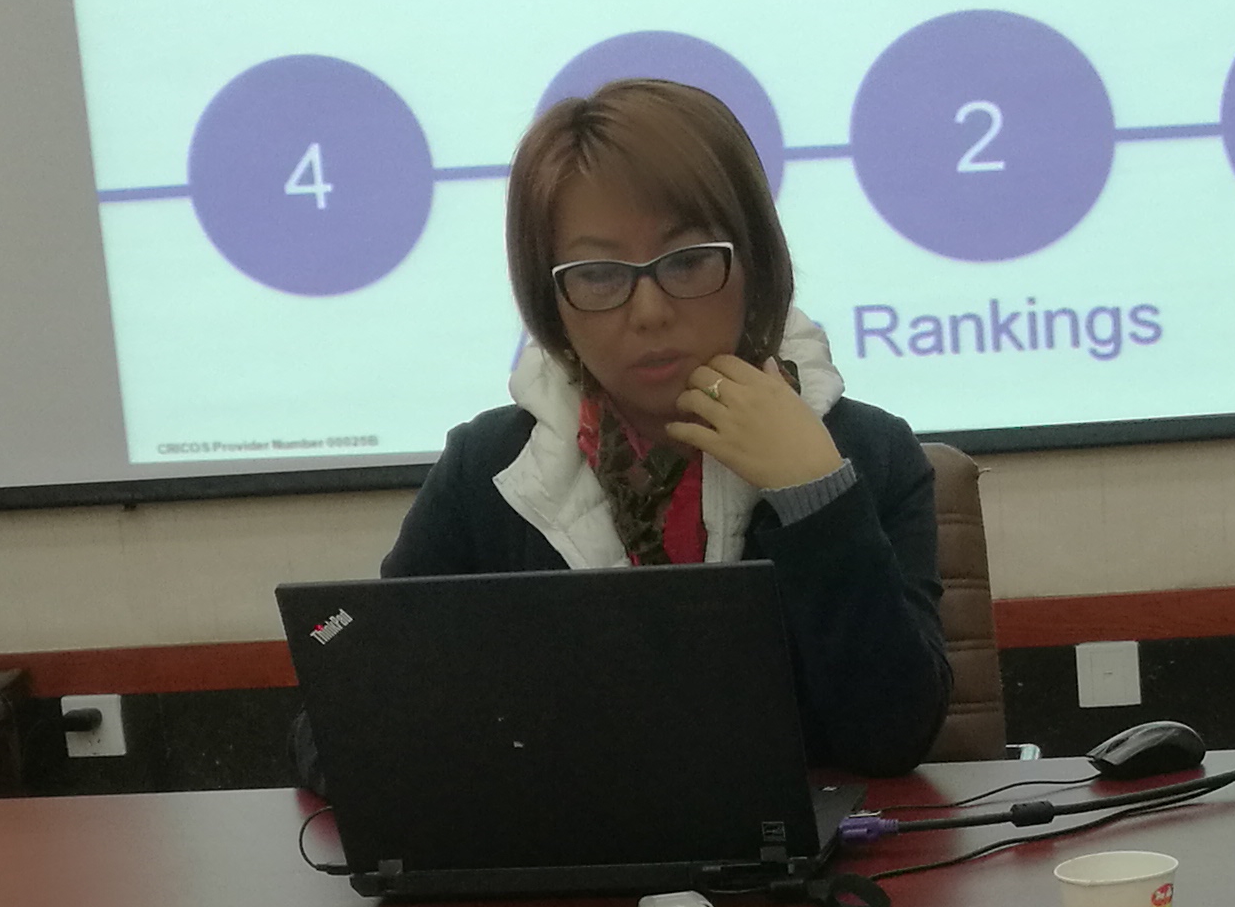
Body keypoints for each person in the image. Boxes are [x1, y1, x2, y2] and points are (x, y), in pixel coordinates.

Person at [373, 76, 947, 778]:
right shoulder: (487, 469)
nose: (648, 312)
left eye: (688, 261)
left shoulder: (866, 453)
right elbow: (342, 727)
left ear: (755, 264)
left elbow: (892, 739)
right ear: (551, 302)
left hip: (801, 846)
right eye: (598, 275)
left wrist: (816, 498)